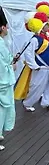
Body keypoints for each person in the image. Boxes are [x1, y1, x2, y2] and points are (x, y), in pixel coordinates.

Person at [14, 12, 49, 112]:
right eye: (46, 25)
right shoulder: (35, 39)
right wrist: (34, 66)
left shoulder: (47, 38)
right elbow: (28, 53)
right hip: (41, 67)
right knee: (37, 86)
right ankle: (27, 103)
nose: (48, 26)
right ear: (41, 27)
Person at [0, 14, 15, 151]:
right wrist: (11, 67)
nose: (8, 29)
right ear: (2, 27)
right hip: (2, 82)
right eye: (6, 26)